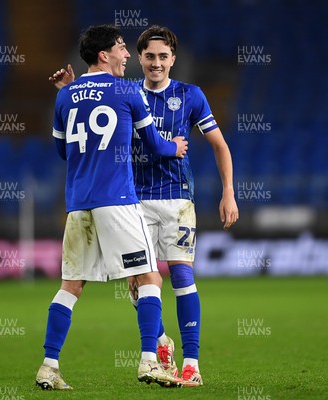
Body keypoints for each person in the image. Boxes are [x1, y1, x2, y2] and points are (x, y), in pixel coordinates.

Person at [48, 25, 238, 387]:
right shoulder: (126, 91)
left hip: (178, 198)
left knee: (181, 276)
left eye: (163, 56)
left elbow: (220, 145)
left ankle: (192, 362)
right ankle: (160, 344)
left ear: (173, 59)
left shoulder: (191, 95)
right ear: (138, 58)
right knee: (139, 284)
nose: (156, 63)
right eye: (149, 56)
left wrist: (228, 191)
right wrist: (72, 93)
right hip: (135, 199)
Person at [35, 24, 188, 390]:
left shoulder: (65, 95)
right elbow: (153, 144)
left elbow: (63, 152)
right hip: (118, 201)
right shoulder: (127, 90)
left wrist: (70, 94)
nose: (126, 55)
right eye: (121, 48)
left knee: (70, 286)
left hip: (78, 204)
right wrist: (176, 147)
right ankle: (150, 361)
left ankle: (48, 365)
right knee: (150, 277)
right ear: (104, 55)